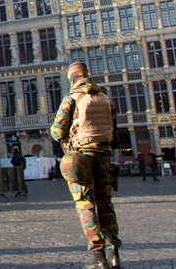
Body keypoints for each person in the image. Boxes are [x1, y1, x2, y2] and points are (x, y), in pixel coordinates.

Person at [50, 61, 121, 269]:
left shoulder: (71, 99)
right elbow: (115, 134)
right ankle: (114, 254)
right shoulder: (105, 99)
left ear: (72, 79)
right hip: (104, 159)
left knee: (86, 205)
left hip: (82, 159)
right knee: (105, 205)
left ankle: (98, 258)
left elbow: (56, 132)